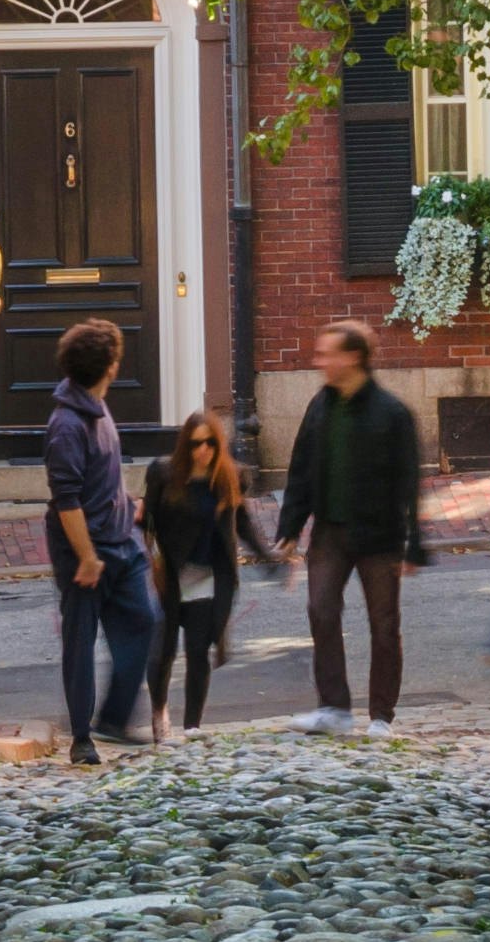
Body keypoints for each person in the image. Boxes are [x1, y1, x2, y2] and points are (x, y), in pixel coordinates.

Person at [274, 316, 426, 737]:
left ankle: (381, 715)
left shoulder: (392, 412)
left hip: (379, 536)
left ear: (353, 357)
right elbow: (301, 468)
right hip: (329, 532)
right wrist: (289, 526)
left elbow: (409, 480)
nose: (319, 360)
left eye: (328, 353)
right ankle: (333, 708)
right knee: (321, 611)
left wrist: (415, 543)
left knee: (383, 625)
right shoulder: (320, 406)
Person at [43, 317, 157, 765]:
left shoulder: (96, 406)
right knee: (81, 642)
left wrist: (128, 505)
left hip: (122, 542)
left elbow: (100, 478)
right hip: (85, 553)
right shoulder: (67, 424)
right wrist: (87, 557)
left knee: (146, 620)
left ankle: (113, 720)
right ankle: (81, 738)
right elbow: (67, 500)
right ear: (109, 365)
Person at [140, 409, 280, 735]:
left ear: (218, 446)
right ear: (184, 446)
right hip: (172, 573)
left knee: (198, 650)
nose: (202, 451)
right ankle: (159, 711)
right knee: (163, 650)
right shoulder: (163, 475)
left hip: (207, 574)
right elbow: (148, 522)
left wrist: (270, 558)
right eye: (194, 444)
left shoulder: (230, 478)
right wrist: (154, 559)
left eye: (209, 444)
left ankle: (192, 726)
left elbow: (242, 524)